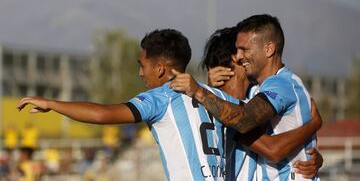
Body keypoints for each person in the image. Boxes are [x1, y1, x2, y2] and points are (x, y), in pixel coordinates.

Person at [17, 29, 235, 181]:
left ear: (159, 69)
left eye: (142, 65)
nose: (141, 73)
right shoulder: (215, 97)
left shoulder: (162, 97)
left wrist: (51, 103)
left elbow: (103, 115)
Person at [170, 14, 320, 180]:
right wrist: (211, 90)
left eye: (245, 50)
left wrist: (199, 91)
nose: (240, 57)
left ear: (269, 49)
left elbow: (246, 123)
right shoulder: (256, 91)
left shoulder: (282, 85)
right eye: (237, 51)